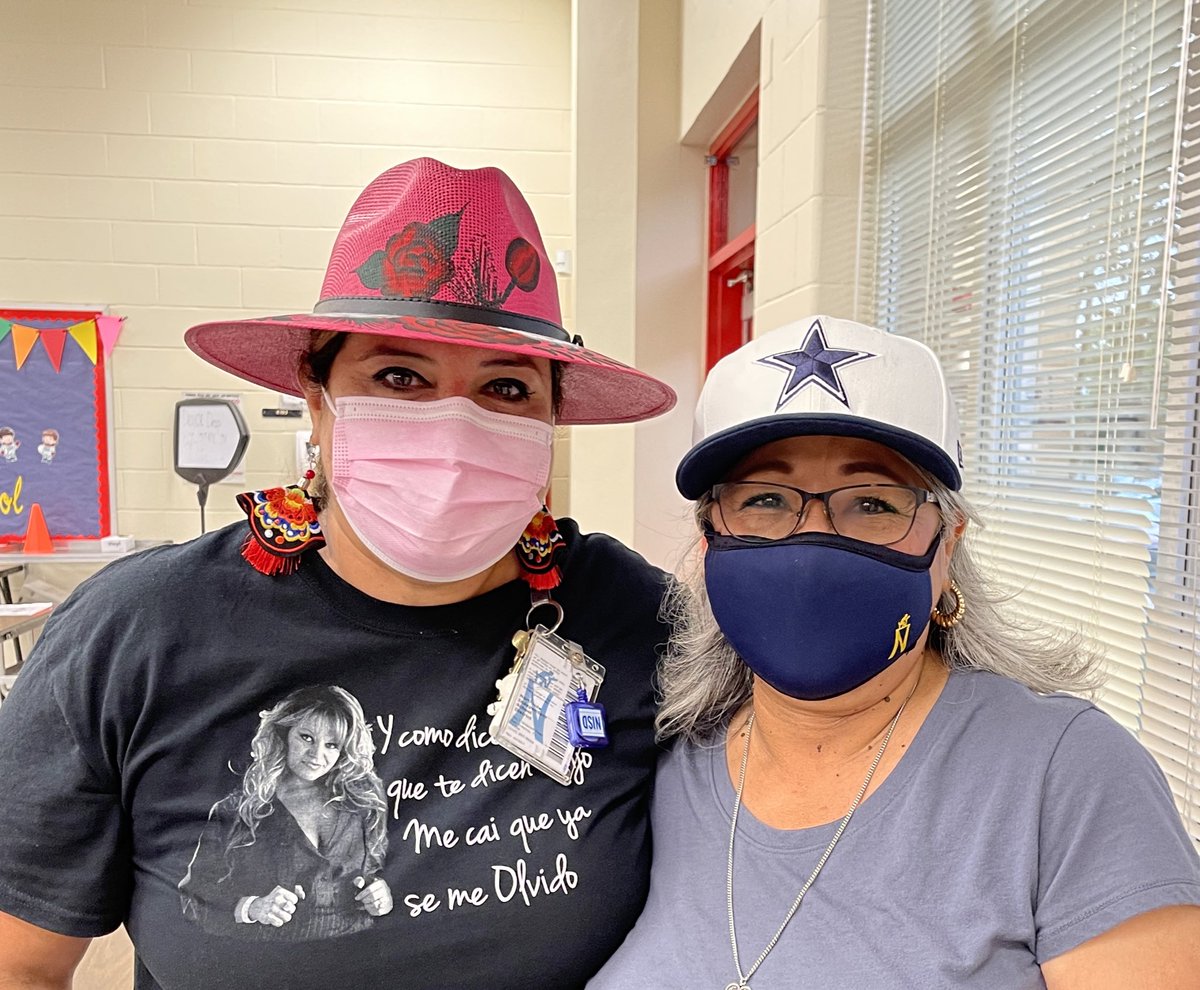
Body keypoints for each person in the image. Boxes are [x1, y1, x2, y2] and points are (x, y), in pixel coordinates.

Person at [0, 158, 676, 989]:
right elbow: (20, 964)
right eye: (399, 377)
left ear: (551, 418)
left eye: (506, 387)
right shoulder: (138, 633)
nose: (454, 427)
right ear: (315, 395)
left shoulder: (631, 616)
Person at [589, 315, 1200, 989]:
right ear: (708, 544)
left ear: (948, 548)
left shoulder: (1067, 776)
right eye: (764, 498)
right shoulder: (664, 758)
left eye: (873, 503)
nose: (812, 542)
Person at [177, 685, 392, 939]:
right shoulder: (238, 810)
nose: (317, 755)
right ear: (284, 733)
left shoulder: (362, 807)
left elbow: (377, 877)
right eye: (307, 737)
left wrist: (381, 897)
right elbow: (193, 897)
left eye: (332, 745)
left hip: (353, 959)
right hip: (269, 965)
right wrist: (252, 907)